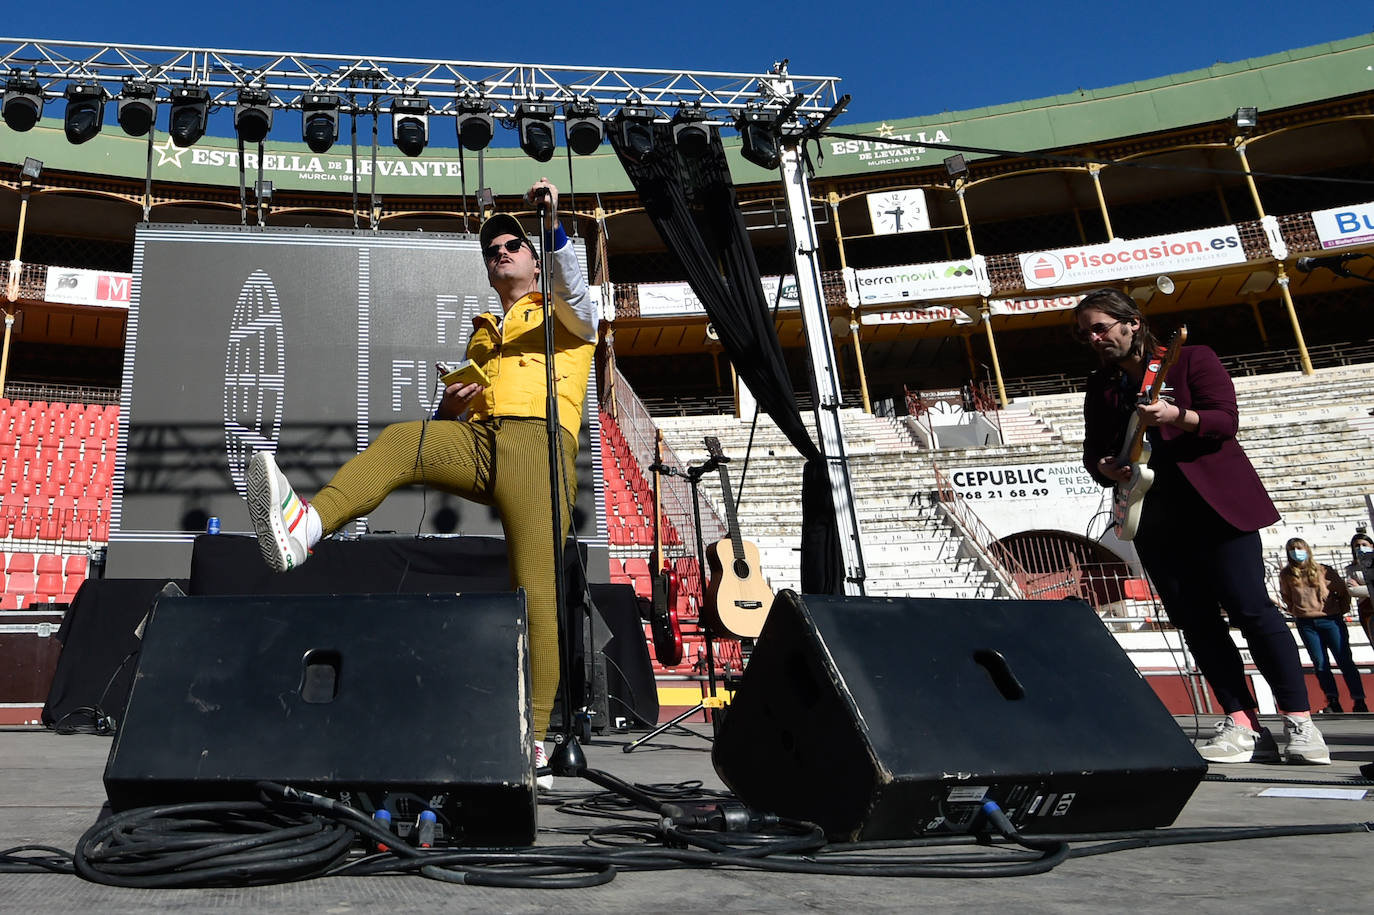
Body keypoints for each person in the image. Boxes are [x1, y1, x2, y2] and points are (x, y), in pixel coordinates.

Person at [244, 179, 597, 787]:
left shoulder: (565, 309)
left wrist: (552, 224)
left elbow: (579, 295)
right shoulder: (483, 328)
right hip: (484, 443)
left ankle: (534, 743)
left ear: (537, 259)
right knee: (404, 440)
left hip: (541, 448)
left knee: (536, 595)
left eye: (512, 245)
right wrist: (451, 406)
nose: (500, 253)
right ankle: (306, 527)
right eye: (491, 251)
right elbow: (456, 412)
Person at [1076, 287, 1328, 764]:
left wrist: (1176, 415)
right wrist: (1105, 466)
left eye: (1100, 327)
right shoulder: (1100, 385)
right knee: (1196, 621)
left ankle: (1300, 720)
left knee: (1252, 609)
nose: (1094, 338)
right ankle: (1241, 721)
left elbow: (1224, 421)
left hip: (1217, 507)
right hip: (1155, 516)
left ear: (1132, 322)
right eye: (1085, 333)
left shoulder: (1190, 359)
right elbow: (1094, 451)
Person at [1278, 537, 1368, 714]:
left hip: (1330, 620)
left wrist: (1340, 610)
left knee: (1344, 660)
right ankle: (1332, 699)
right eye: (1292, 549)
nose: (1296, 552)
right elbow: (1287, 596)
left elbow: (1342, 591)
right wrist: (1296, 610)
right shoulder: (1287, 575)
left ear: (1307, 549)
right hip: (1306, 622)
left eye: (1299, 548)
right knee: (1320, 663)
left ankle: (1359, 699)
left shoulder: (1323, 570)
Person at [1344, 530, 1374, 649]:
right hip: (1366, 609)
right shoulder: (1351, 568)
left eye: (1364, 544)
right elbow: (1352, 590)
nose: (1360, 548)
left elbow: (1358, 589)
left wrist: (1360, 588)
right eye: (1357, 545)